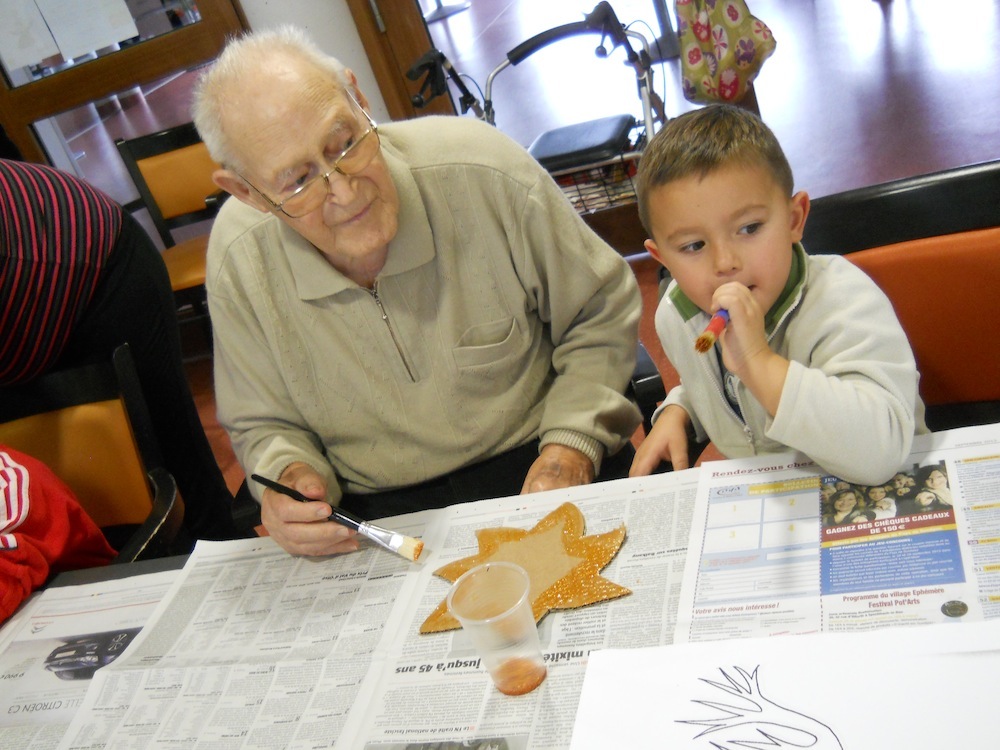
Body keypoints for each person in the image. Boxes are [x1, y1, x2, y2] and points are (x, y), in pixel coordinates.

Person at [190, 26, 642, 556]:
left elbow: (599, 313)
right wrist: (292, 478)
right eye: (298, 181)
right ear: (248, 193)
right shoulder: (239, 258)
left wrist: (571, 448)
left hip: (541, 455)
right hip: (379, 512)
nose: (344, 189)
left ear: (359, 100)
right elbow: (261, 422)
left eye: (344, 143)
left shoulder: (483, 171)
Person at [629, 105, 927, 486]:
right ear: (662, 257)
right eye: (693, 246)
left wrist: (758, 361)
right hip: (782, 504)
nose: (725, 262)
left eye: (750, 227)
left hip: (890, 495)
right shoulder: (677, 317)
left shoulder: (842, 298)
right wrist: (682, 410)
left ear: (794, 219)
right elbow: (721, 389)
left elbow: (880, 454)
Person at [0, 158, 244, 542]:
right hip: (24, 293)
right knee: (79, 500)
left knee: (175, 463)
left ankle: (227, 565)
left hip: (96, 265)